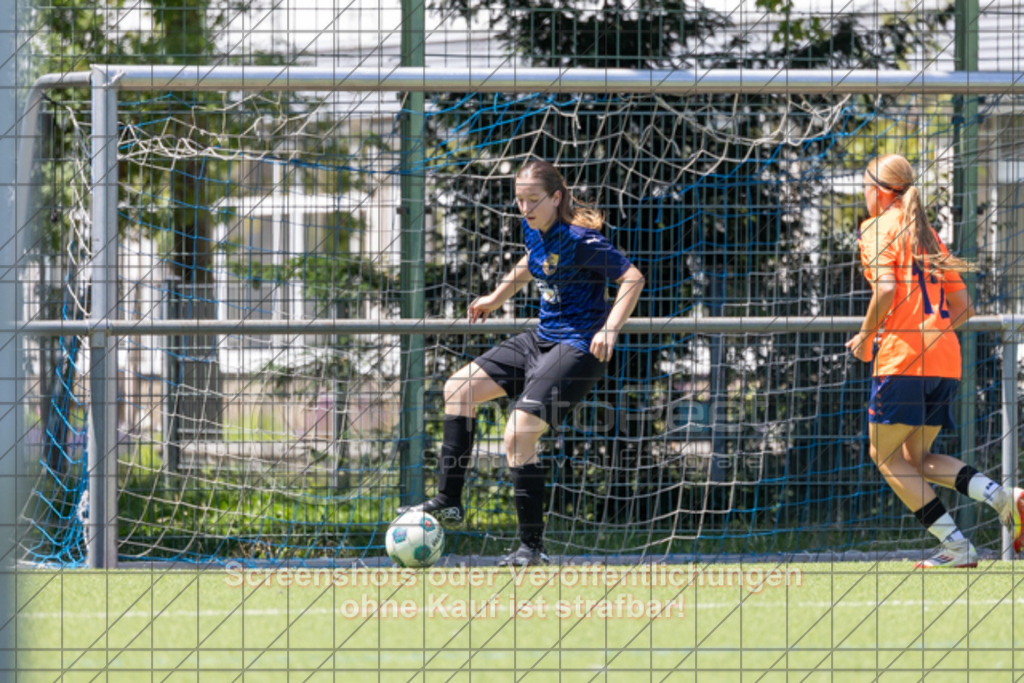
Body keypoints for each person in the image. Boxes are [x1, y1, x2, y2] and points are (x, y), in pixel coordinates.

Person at [397, 159, 645, 567]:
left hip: (580, 347)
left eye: (533, 200)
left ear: (556, 197)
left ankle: (532, 548)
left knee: (518, 434)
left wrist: (610, 328)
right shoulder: (535, 229)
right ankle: (449, 500)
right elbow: (531, 262)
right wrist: (495, 298)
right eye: (519, 200)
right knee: (458, 388)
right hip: (541, 340)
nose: (525, 208)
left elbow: (632, 278)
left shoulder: (582, 240)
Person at [846, 153, 1024, 568]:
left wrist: (866, 337)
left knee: (884, 456)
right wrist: (930, 334)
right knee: (918, 459)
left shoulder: (875, 229)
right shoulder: (928, 234)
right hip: (943, 360)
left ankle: (959, 547)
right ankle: (1007, 499)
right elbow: (963, 305)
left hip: (902, 360)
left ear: (876, 191)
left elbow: (887, 289)